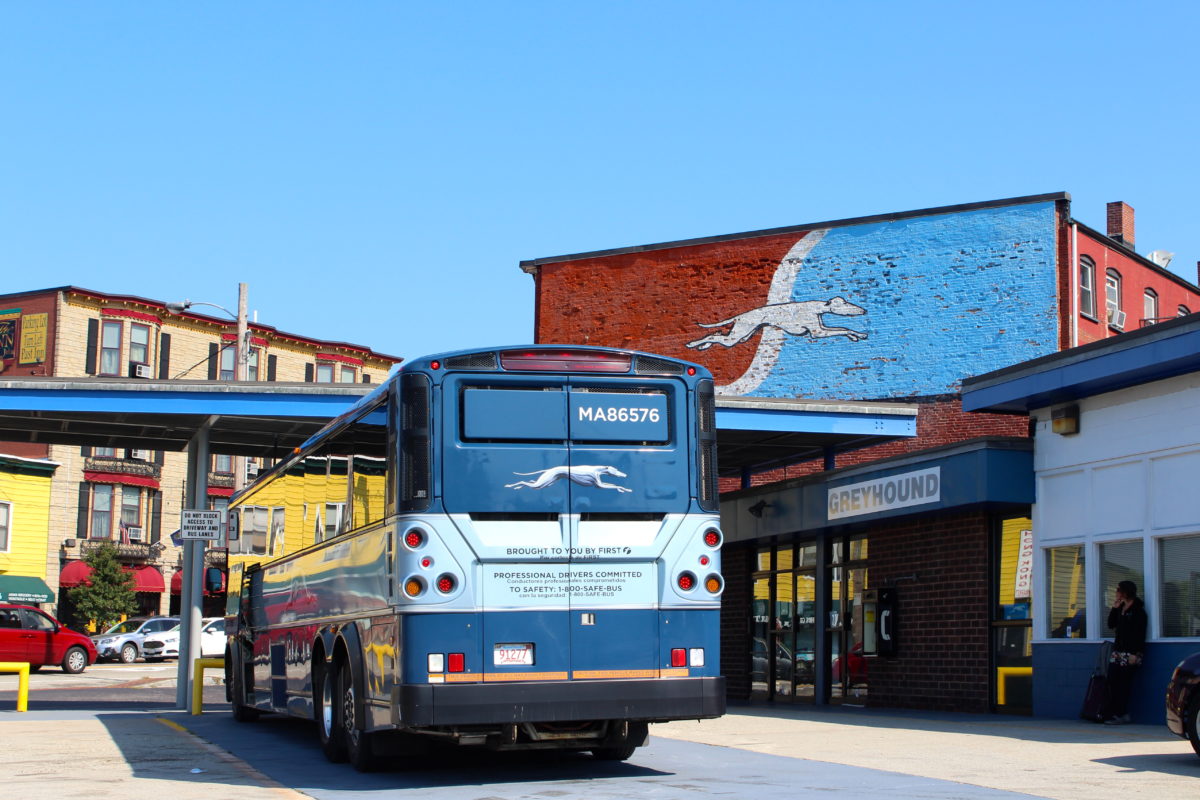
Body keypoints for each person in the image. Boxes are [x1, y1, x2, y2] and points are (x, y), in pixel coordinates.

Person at [1104, 580, 1147, 724]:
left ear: (1125, 592)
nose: (1116, 592)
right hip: (1118, 652)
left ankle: (1122, 714)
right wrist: (1114, 608)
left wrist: (1136, 653)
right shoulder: (1121, 608)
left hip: (1131, 653)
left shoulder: (1138, 611)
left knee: (1124, 684)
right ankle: (1114, 712)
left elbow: (1140, 634)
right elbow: (1111, 624)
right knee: (1112, 681)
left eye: (1118, 590)